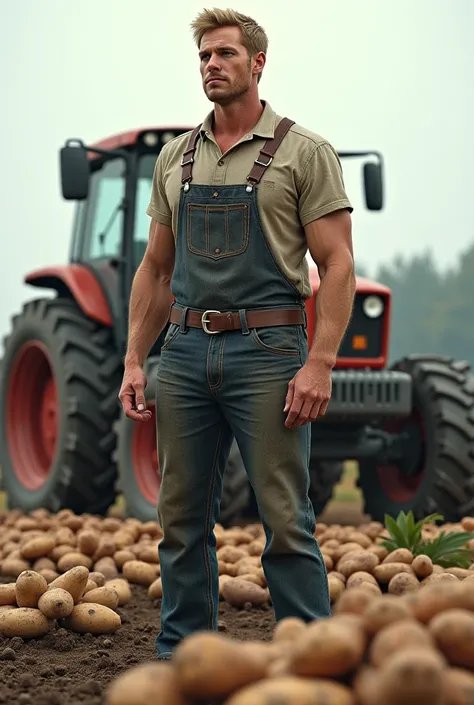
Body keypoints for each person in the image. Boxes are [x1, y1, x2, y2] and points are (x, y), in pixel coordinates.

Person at [118, 8, 356, 660]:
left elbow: (337, 263)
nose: (212, 65)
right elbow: (157, 268)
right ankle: (184, 656)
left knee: (285, 516)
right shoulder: (177, 157)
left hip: (269, 352)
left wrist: (321, 361)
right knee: (181, 519)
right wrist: (136, 358)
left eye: (224, 54)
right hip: (187, 351)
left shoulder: (304, 152)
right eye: (203, 56)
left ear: (257, 63)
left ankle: (312, 654)